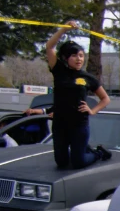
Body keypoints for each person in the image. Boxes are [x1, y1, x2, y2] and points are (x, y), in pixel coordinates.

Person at [46, 20, 111, 168]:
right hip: (60, 124)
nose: (79, 59)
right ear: (66, 58)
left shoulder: (88, 77)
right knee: (61, 163)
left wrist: (92, 110)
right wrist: (63, 29)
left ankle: (98, 153)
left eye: (81, 56)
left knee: (78, 162)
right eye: (74, 56)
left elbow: (105, 98)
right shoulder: (59, 71)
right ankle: (82, 150)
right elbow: (49, 46)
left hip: (79, 124)